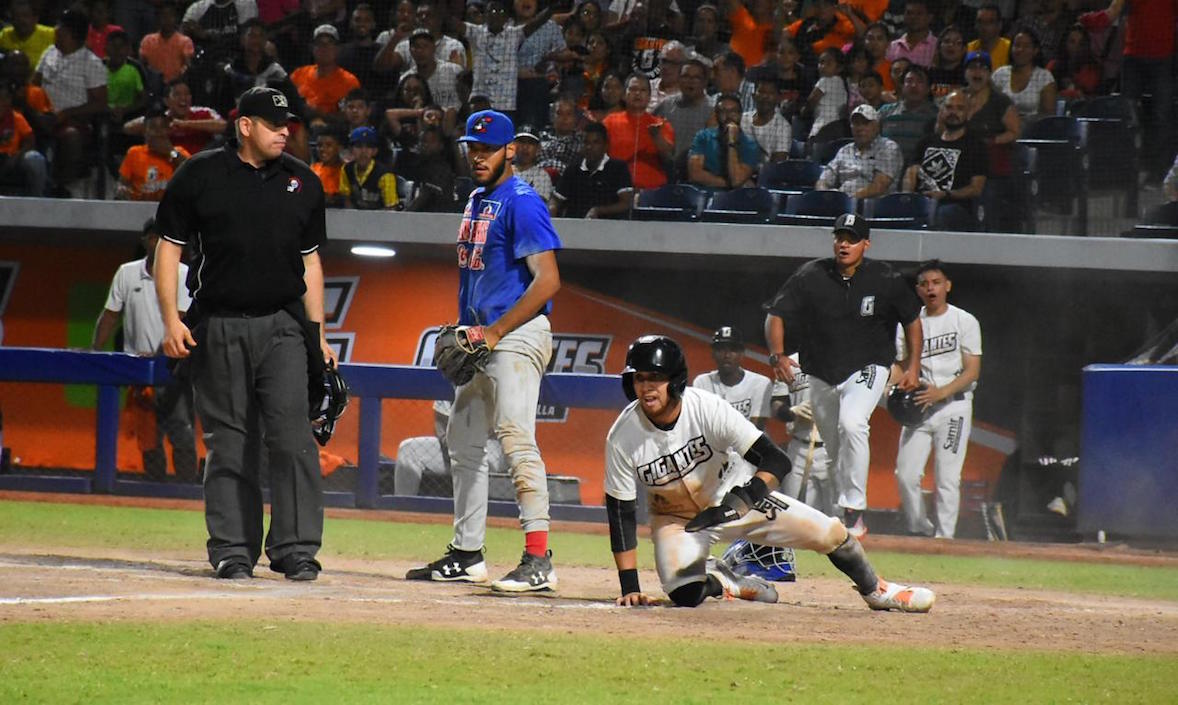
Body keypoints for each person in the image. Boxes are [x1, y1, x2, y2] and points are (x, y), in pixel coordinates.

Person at [605, 334, 935, 612]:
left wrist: (743, 500)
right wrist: (630, 586)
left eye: (655, 378)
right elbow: (620, 514)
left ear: (675, 380)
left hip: (733, 496)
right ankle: (727, 579)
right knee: (684, 593)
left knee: (830, 533)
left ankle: (876, 590)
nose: (646, 387)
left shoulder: (705, 408)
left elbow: (775, 460)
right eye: (639, 378)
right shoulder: (623, 436)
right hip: (677, 520)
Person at [153, 85, 333, 582]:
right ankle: (233, 550)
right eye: (274, 125)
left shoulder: (302, 182)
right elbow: (168, 250)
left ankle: (296, 549)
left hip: (283, 326)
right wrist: (171, 318)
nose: (284, 132)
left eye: (288, 125)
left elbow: (311, 263)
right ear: (245, 126)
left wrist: (317, 335)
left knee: (294, 437)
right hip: (219, 323)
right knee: (230, 443)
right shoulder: (200, 174)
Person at [406, 110, 563, 593]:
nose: (478, 156)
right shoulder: (476, 198)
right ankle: (468, 552)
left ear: (510, 150)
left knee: (516, 440)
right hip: (481, 337)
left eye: (488, 148)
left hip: (516, 334)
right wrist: (472, 330)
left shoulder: (522, 202)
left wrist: (494, 332)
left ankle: (540, 560)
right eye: (473, 148)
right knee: (464, 442)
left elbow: (549, 281)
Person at [764, 213, 923, 538]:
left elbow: (912, 320)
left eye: (851, 238)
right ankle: (842, 515)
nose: (844, 244)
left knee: (852, 423)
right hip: (822, 372)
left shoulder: (884, 277)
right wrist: (777, 354)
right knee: (835, 449)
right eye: (840, 237)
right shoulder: (811, 274)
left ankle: (854, 509)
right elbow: (776, 314)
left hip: (869, 365)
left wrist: (913, 366)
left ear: (866, 243)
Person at [92, 218, 197, 482]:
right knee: (149, 435)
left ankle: (185, 490)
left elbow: (182, 319)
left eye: (163, 237)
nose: (157, 242)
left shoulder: (184, 273)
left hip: (174, 368)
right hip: (137, 369)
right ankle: (155, 489)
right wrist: (93, 351)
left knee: (181, 431)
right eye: (152, 237)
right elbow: (110, 316)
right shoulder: (127, 272)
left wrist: (161, 354)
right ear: (144, 241)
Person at [893, 259, 982, 539]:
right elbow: (901, 364)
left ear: (947, 286)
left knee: (947, 479)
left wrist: (940, 392)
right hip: (919, 406)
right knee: (905, 475)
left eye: (936, 282)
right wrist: (892, 385)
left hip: (953, 406)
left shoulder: (964, 320)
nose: (931, 288)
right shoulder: (909, 323)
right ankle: (921, 528)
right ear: (918, 289)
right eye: (924, 284)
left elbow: (972, 371)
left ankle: (945, 539)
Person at [904, 90, 987, 231]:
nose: (953, 112)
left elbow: (976, 188)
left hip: (954, 206)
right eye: (949, 107)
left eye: (960, 108)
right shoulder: (926, 142)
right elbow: (911, 172)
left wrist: (946, 194)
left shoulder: (976, 145)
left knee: (942, 214)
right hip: (921, 202)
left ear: (968, 113)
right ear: (941, 111)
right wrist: (907, 198)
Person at [395, 400, 507, 496]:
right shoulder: (450, 380)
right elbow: (441, 425)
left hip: (490, 445)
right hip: (454, 447)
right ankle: (401, 510)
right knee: (408, 449)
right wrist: (453, 445)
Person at [815, 104, 903, 199]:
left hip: (874, 206)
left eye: (865, 123)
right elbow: (823, 180)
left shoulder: (888, 147)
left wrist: (849, 200)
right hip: (841, 205)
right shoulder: (845, 151)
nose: (860, 128)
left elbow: (879, 186)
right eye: (856, 123)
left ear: (877, 126)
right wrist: (825, 195)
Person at [605, 73, 675, 191]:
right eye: (633, 89)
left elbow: (669, 158)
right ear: (624, 95)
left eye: (643, 90)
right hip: (616, 188)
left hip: (652, 191)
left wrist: (657, 137)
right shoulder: (610, 122)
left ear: (649, 97)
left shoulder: (661, 124)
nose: (637, 94)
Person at [550, 120, 633, 218]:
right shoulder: (573, 170)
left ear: (606, 145)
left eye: (595, 142)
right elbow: (556, 200)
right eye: (586, 142)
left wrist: (599, 210)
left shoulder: (618, 168)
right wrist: (552, 210)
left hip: (610, 228)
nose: (589, 147)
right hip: (575, 227)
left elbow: (626, 203)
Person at [686, 93, 760, 190]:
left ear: (740, 114)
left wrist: (731, 142)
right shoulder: (703, 137)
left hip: (733, 199)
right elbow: (695, 174)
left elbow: (736, 180)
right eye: (723, 111)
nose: (729, 116)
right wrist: (727, 184)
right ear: (716, 115)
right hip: (703, 195)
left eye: (733, 111)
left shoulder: (751, 145)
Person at [290, 25, 361, 122]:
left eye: (330, 43)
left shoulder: (350, 82)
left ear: (338, 49)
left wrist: (319, 115)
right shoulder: (298, 74)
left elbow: (351, 118)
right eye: (319, 43)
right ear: (312, 48)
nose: (324, 48)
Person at [116, 109, 191, 201]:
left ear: (168, 131)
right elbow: (123, 182)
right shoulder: (134, 152)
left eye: (162, 127)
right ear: (145, 132)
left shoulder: (179, 152)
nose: (158, 132)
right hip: (140, 208)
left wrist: (170, 152)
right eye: (153, 127)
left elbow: (192, 174)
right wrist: (122, 189)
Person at [992, 29, 1057, 124]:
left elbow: (1048, 116)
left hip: (1033, 132)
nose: (1020, 50)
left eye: (1026, 46)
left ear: (1035, 50)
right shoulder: (1000, 74)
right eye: (1017, 45)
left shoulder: (1044, 77)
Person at [0, 81, 49, 197]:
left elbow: (30, 140)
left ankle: (36, 201)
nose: (3, 102)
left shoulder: (16, 117)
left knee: (34, 159)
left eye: (6, 98)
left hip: (12, 159)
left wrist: (17, 156)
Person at [340, 126, 399, 209]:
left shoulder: (384, 175)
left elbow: (391, 207)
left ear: (375, 151)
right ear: (351, 150)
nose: (363, 151)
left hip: (380, 218)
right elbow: (346, 198)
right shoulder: (346, 169)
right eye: (358, 146)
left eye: (368, 146)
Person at [741, 76, 791, 163]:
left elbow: (778, 164)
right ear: (753, 96)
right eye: (761, 92)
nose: (765, 96)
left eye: (771, 93)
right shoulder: (742, 119)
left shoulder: (783, 127)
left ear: (778, 98)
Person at [886, 0, 937, 67]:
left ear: (929, 18)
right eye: (909, 13)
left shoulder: (937, 46)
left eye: (919, 13)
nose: (913, 17)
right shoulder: (892, 47)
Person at [511, 125, 553, 201]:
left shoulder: (542, 176)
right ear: (513, 145)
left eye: (530, 143)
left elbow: (538, 205)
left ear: (538, 148)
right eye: (521, 142)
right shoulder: (503, 170)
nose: (525, 147)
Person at [966, 5, 1011, 70]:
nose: (983, 27)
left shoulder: (1010, 50)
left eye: (990, 22)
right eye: (980, 22)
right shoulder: (969, 49)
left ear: (1000, 25)